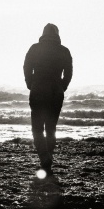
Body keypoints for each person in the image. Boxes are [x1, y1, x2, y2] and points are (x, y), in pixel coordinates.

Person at [23, 23, 73, 176]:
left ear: (43, 33)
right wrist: (62, 86)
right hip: (55, 93)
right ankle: (48, 157)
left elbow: (26, 67)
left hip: (38, 91)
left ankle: (44, 157)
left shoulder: (35, 48)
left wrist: (30, 83)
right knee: (51, 128)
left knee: (37, 129)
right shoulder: (64, 51)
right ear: (57, 34)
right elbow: (69, 73)